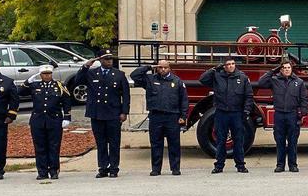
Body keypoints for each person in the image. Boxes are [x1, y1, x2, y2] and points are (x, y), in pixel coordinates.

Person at [131, 59, 188, 176]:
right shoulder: (150, 79)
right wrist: (148, 67)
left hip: (172, 116)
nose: (163, 69)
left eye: (165, 67)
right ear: (157, 68)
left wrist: (183, 115)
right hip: (156, 116)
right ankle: (156, 169)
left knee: (174, 144)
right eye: (160, 67)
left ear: (169, 68)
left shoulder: (177, 81)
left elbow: (184, 100)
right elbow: (134, 75)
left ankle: (175, 168)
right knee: (156, 143)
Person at [80, 49, 131, 178]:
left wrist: (124, 112)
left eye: (111, 59)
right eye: (106, 59)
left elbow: (126, 95)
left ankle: (114, 168)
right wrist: (86, 66)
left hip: (113, 113)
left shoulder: (119, 74)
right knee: (101, 143)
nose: (109, 61)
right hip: (97, 113)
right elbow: (77, 81)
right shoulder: (92, 73)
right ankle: (103, 167)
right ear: (100, 60)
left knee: (114, 143)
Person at [199, 57, 255, 174]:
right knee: (221, 140)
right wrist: (214, 69)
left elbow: (248, 96)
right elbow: (202, 80)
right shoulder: (217, 76)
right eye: (228, 64)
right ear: (224, 66)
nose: (231, 66)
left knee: (238, 141)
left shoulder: (242, 77)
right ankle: (219, 166)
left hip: (237, 113)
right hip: (221, 113)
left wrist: (246, 112)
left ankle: (240, 165)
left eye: (233, 64)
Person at [256, 60, 308, 173]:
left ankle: (293, 165)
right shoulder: (274, 80)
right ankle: (280, 165)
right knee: (279, 141)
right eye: (284, 67)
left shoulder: (298, 82)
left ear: (291, 68)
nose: (286, 69)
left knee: (293, 141)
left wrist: (303, 114)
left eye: (288, 67)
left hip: (293, 115)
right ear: (281, 69)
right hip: (279, 114)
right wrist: (272, 70)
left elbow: (304, 99)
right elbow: (261, 82)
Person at [23, 65, 72, 180]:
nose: (47, 76)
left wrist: (67, 117)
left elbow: (66, 101)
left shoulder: (59, 86)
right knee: (40, 147)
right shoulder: (35, 85)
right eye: (44, 74)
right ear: (40, 75)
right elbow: (20, 91)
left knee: (54, 146)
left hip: (54, 120)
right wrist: (28, 81)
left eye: (49, 73)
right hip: (38, 120)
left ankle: (54, 170)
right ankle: (42, 172)